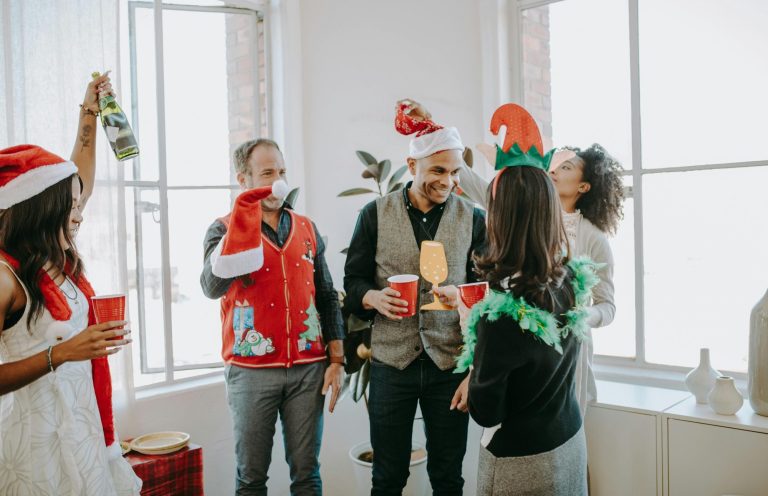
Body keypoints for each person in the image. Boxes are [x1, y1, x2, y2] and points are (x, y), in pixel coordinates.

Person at [401, 99, 622, 415]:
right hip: (516, 358)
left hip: (563, 355)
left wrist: (574, 316)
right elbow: (513, 294)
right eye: (556, 166)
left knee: (560, 430)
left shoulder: (593, 240)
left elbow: (607, 306)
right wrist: (433, 128)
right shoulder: (512, 210)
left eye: (567, 167)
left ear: (585, 186)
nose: (556, 170)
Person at [0, 76, 141, 494]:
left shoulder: (53, 259)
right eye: (71, 206)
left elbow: (78, 172)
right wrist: (63, 352)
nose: (80, 214)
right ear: (41, 212)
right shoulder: (5, 276)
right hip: (36, 443)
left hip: (83, 429)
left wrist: (89, 113)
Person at [343, 103, 487, 495]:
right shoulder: (373, 214)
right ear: (412, 165)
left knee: (447, 476)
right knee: (388, 476)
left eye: (455, 171)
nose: (448, 181)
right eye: (438, 171)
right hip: (392, 364)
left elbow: (486, 298)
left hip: (449, 367)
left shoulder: (473, 219)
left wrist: (473, 368)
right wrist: (372, 296)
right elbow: (352, 282)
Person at [457, 105, 599, 494]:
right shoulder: (570, 280)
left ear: (500, 219)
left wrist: (473, 323)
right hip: (569, 442)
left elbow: (487, 410)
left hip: (524, 463)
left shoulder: (502, 316)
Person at [200, 138, 345, 495]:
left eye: (281, 171)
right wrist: (238, 226)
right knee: (251, 479)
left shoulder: (307, 228)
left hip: (308, 369)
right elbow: (210, 287)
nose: (278, 180)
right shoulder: (222, 229)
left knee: (307, 475)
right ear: (243, 179)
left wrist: (337, 358)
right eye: (267, 173)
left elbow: (326, 294)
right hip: (249, 373)